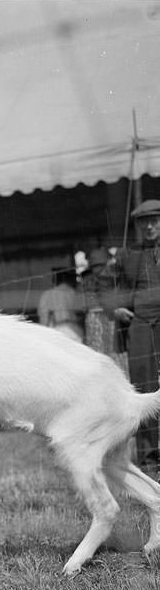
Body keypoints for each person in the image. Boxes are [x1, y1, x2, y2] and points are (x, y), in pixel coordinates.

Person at [103, 198, 160, 473]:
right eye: (143, 221)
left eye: (154, 220)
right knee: (145, 388)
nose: (149, 226)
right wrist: (114, 309)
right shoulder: (128, 255)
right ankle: (150, 456)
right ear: (137, 225)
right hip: (141, 325)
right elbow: (101, 282)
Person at [37, 266, 83, 342]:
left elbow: (43, 316)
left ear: (55, 279)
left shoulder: (47, 294)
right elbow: (81, 313)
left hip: (56, 331)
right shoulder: (74, 293)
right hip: (75, 331)